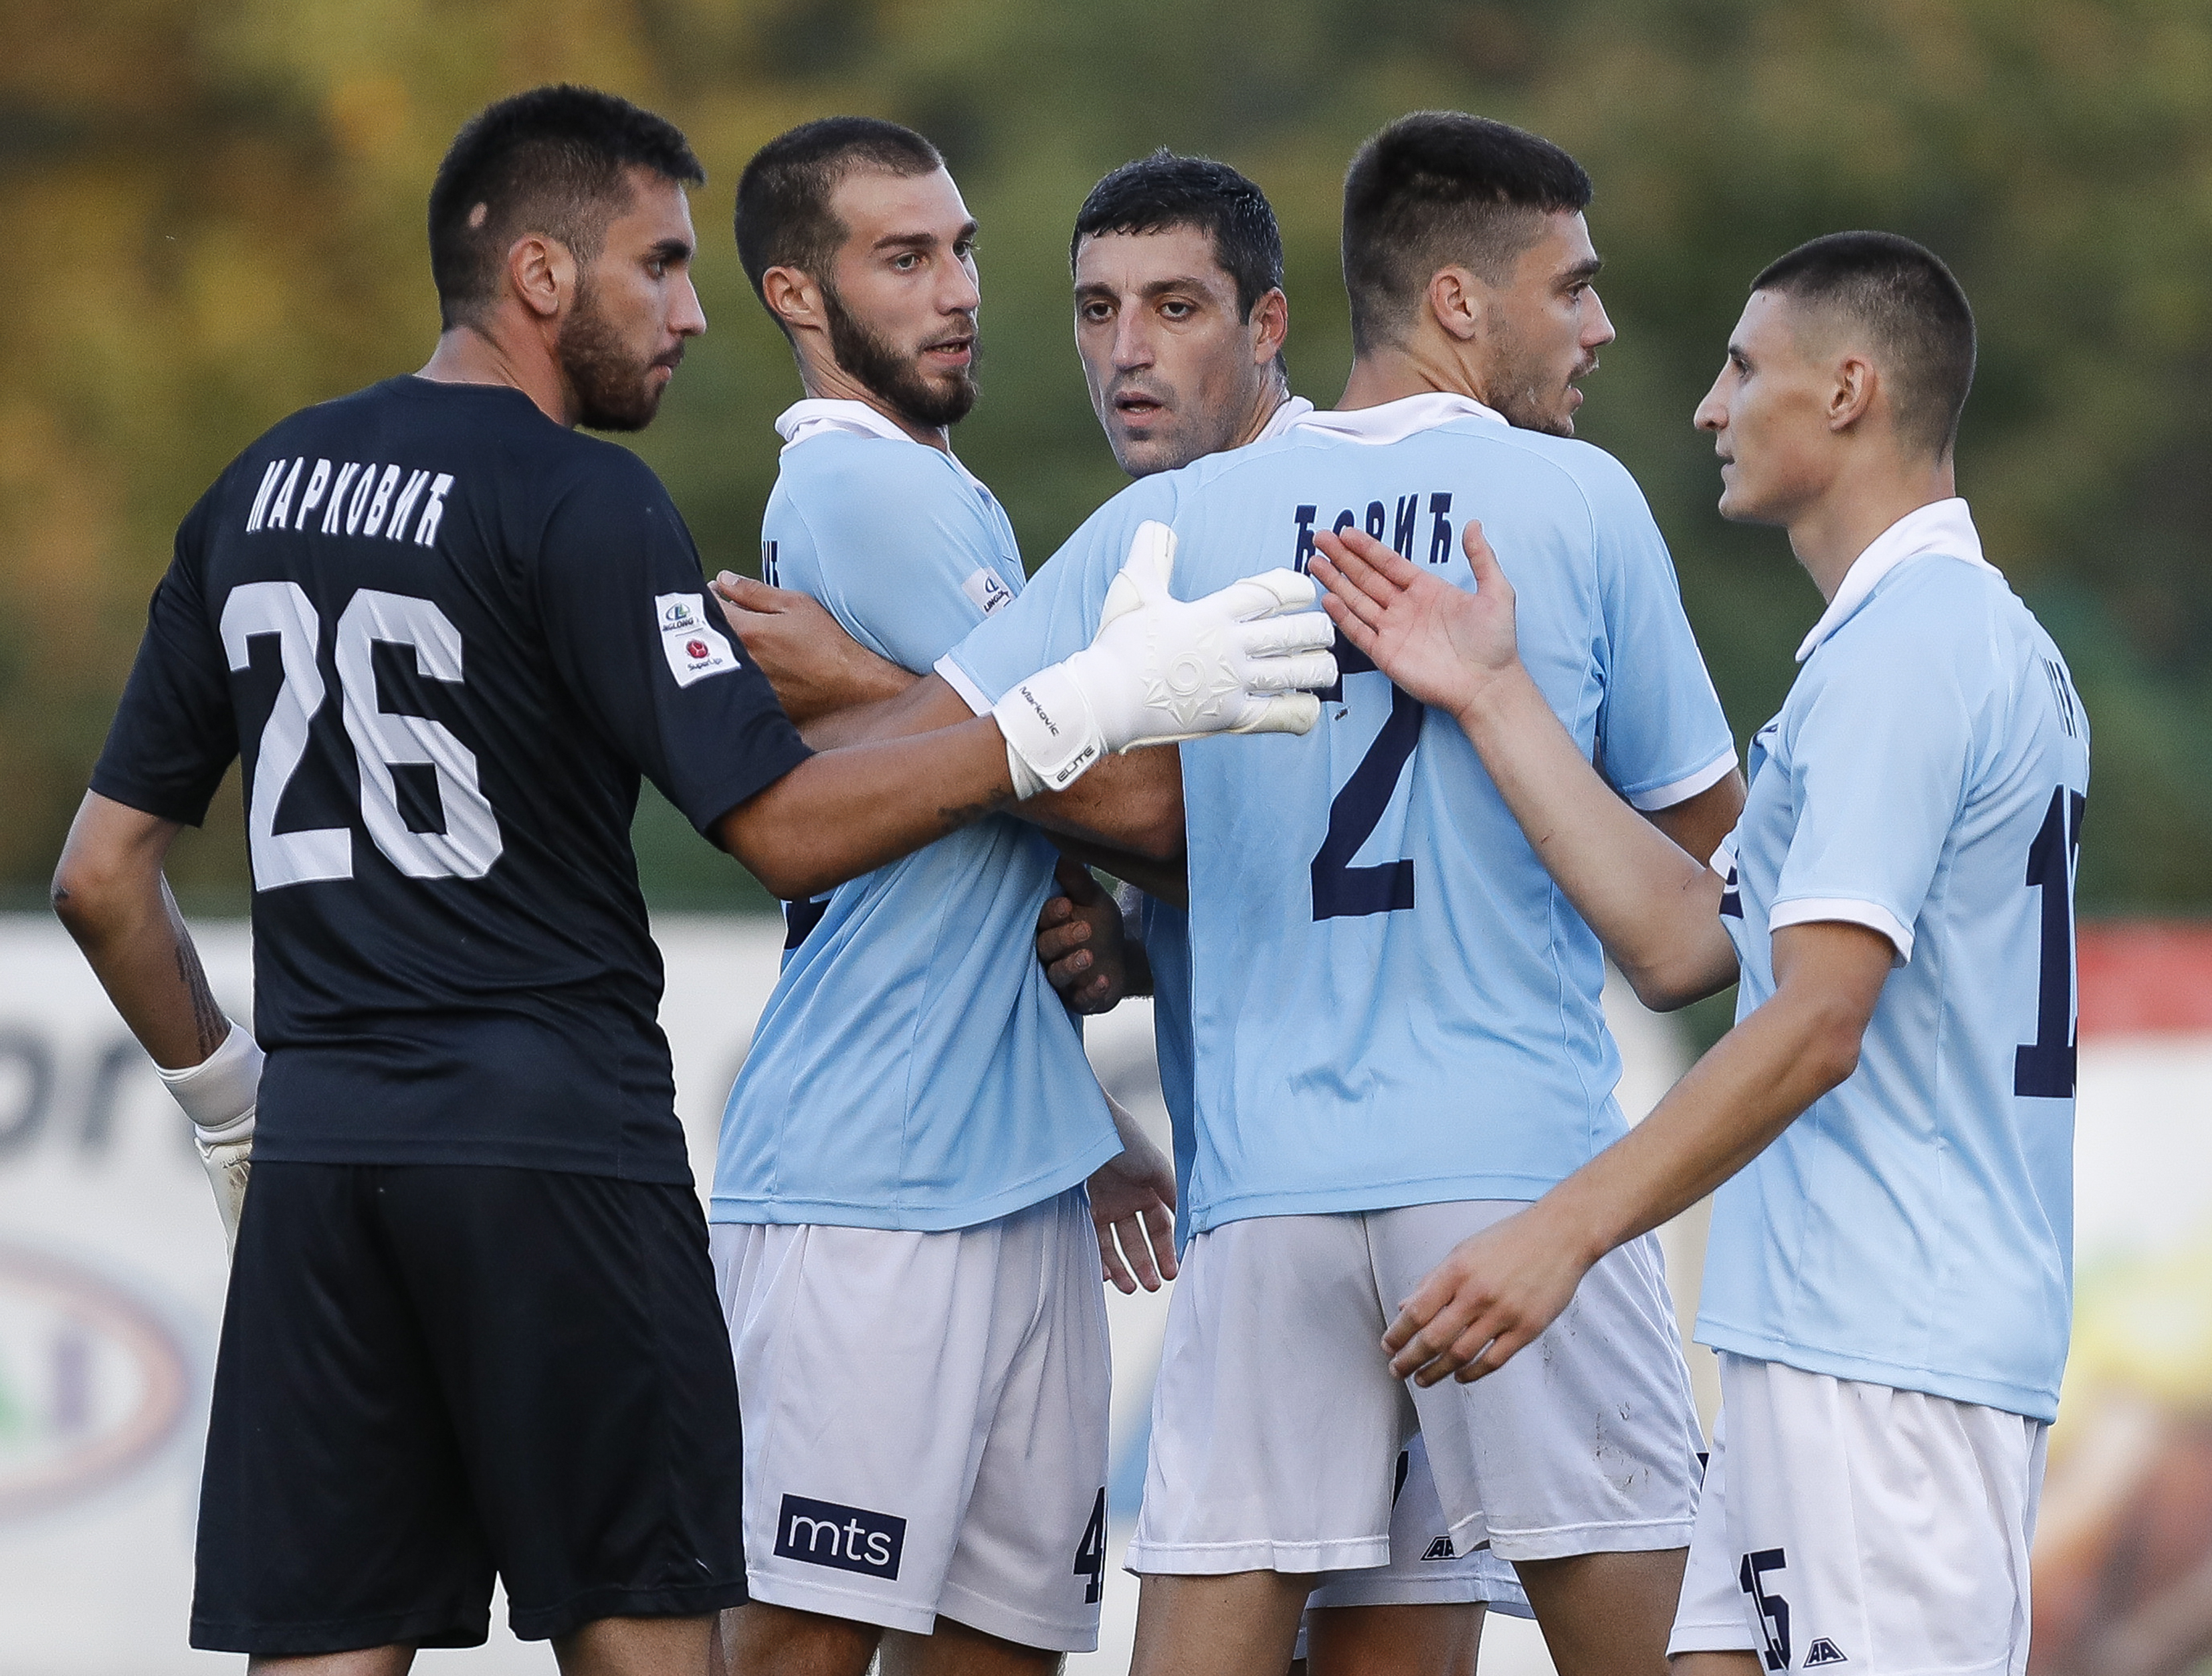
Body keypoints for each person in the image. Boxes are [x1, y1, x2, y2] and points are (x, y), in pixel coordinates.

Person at [45, 86, 1332, 1676]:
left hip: (324, 1157)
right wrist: (1079, 703)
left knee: (330, 1645)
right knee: (668, 1640)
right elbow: (786, 828)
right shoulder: (588, 499)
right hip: (561, 1147)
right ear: (536, 274)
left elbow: (103, 875)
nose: (688, 310)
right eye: (657, 265)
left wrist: (240, 1110)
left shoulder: (252, 486)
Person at [926, 112, 1745, 1676]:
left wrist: (841, 674)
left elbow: (941, 746)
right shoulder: (1573, 503)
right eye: (1570, 287)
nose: (1599, 324)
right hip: (1511, 1178)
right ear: (1456, 301)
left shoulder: (1179, 514)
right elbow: (1721, 883)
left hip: (1271, 1193)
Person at [715, 145, 1534, 1673]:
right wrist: (1120, 966)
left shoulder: (1247, 515)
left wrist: (873, 693)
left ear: (1271, 322)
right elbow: (1247, 840)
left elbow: (1202, 820)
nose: (1123, 350)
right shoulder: (914, 489)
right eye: (1094, 308)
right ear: (792, 290)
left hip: (1350, 1202)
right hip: (1295, 1201)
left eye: (1171, 307)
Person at [1316, 231, 2085, 1676]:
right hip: (1823, 1341)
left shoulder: (1909, 651)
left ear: (1847, 390)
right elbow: (1689, 935)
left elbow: (1814, 1023)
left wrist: (1565, 1228)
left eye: (1742, 370)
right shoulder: (1920, 639)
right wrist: (1494, 696)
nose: (1706, 408)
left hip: (1887, 1356)